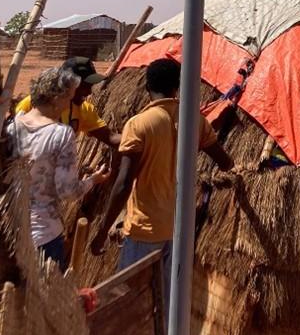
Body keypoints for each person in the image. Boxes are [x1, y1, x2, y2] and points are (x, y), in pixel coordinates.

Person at [90, 58, 234, 321]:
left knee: (131, 300)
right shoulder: (195, 120)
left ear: (147, 86)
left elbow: (123, 183)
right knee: (168, 301)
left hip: (146, 228)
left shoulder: (140, 124)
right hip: (180, 227)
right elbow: (226, 162)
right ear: (177, 87)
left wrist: (102, 232)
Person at [6, 67, 110, 269]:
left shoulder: (12, 126)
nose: (67, 104)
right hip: (45, 234)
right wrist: (93, 180)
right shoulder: (60, 134)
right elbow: (68, 192)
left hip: (12, 231)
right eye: (68, 98)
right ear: (56, 98)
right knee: (46, 297)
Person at [15, 56, 121, 147]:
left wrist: (135, 132)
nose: (89, 92)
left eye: (90, 86)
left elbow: (110, 137)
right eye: (85, 86)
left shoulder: (84, 110)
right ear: (68, 84)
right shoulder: (32, 104)